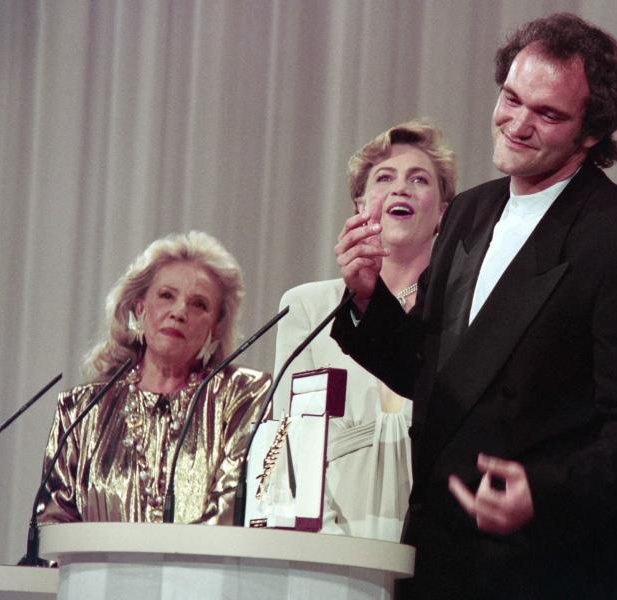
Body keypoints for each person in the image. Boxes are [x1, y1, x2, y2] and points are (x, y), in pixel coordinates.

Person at [332, 13, 617, 599]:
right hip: (441, 557)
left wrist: (546, 493)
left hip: (550, 566)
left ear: (592, 132)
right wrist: (368, 297)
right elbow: (436, 379)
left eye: (547, 114)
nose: (517, 124)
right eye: (511, 98)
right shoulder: (469, 213)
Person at [272, 120, 457, 542]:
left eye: (419, 179)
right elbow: (291, 444)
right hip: (334, 547)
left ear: (443, 211)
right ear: (361, 205)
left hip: (439, 545)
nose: (401, 189)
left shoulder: (462, 314)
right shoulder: (307, 308)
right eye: (384, 178)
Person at [36, 231, 271, 525]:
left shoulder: (243, 397)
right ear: (140, 308)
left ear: (216, 326)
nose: (179, 312)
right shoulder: (82, 410)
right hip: (95, 571)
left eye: (199, 304)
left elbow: (232, 513)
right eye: (166, 296)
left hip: (200, 570)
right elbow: (53, 524)